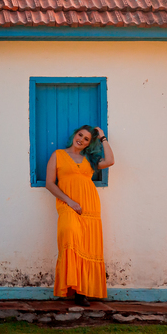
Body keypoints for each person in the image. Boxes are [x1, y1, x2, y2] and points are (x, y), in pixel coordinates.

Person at [44, 125, 115, 306]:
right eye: (80, 135)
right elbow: (50, 184)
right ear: (74, 134)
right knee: (69, 235)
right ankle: (71, 285)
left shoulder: (89, 159)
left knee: (87, 246)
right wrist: (70, 201)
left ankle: (81, 292)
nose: (81, 140)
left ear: (89, 144)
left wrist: (103, 138)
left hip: (90, 206)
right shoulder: (58, 155)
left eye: (86, 139)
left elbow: (110, 161)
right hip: (68, 204)